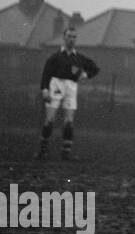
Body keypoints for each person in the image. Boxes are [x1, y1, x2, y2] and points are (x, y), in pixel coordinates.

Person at [38, 26, 100, 161]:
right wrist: (44, 90)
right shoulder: (55, 57)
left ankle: (65, 153)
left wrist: (85, 75)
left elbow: (95, 69)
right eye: (69, 36)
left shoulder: (79, 58)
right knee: (50, 120)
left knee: (69, 122)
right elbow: (46, 74)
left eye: (74, 37)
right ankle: (42, 151)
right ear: (64, 38)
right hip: (56, 85)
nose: (71, 39)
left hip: (71, 87)